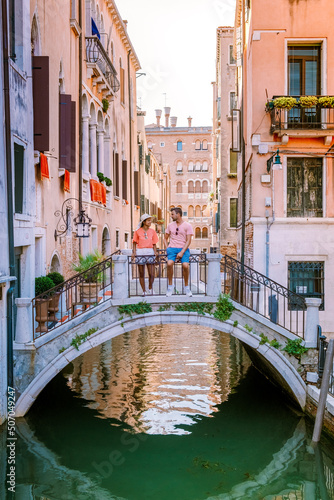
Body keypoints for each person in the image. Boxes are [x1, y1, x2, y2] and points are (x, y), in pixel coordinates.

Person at [164, 207, 194, 297]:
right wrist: (167, 249)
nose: (171, 216)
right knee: (169, 264)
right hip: (172, 248)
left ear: (178, 214)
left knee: (185, 265)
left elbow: (189, 240)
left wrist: (182, 252)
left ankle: (186, 287)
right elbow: (165, 238)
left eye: (172, 214)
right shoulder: (170, 225)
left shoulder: (187, 225)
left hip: (183, 248)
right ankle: (170, 286)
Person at [132, 214, 158, 296]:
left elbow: (154, 243)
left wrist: (155, 252)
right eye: (148, 220)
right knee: (141, 273)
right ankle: (143, 291)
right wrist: (134, 252)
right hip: (140, 252)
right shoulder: (137, 231)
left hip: (150, 252)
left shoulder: (152, 231)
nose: (150, 222)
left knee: (152, 273)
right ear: (144, 222)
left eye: (150, 220)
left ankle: (150, 288)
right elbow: (134, 242)